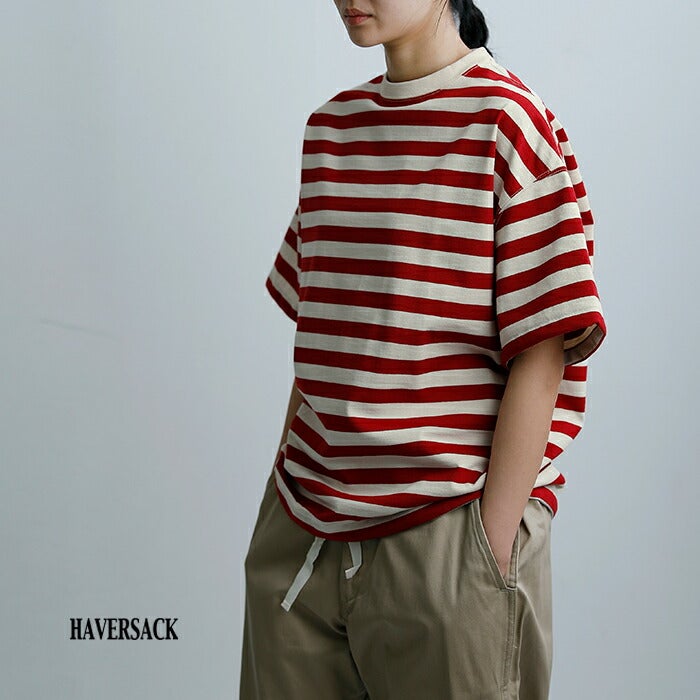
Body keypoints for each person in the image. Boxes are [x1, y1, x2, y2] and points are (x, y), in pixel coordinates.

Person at [240, 1, 608, 698]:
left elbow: (543, 350)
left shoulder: (509, 123)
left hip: (448, 528)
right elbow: (322, 328)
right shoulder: (332, 129)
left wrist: (486, 551)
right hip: (303, 530)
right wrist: (279, 496)